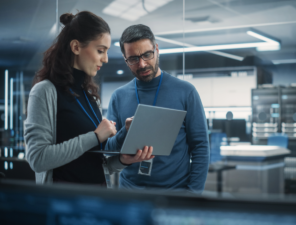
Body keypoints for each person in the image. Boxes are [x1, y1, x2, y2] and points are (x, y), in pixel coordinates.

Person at [24, 12, 154, 185]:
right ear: (76, 47)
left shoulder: (91, 97)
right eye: (100, 50)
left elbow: (95, 164)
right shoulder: (44, 92)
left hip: (95, 201)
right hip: (61, 204)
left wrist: (123, 160)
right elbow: (37, 159)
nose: (106, 59)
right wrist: (94, 136)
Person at [105, 24, 209, 193]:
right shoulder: (119, 96)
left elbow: (200, 147)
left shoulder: (186, 92)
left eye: (147, 54)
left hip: (175, 194)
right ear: (125, 59)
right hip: (131, 195)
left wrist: (193, 194)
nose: (142, 64)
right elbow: (109, 149)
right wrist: (126, 131)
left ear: (157, 49)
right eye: (133, 59)